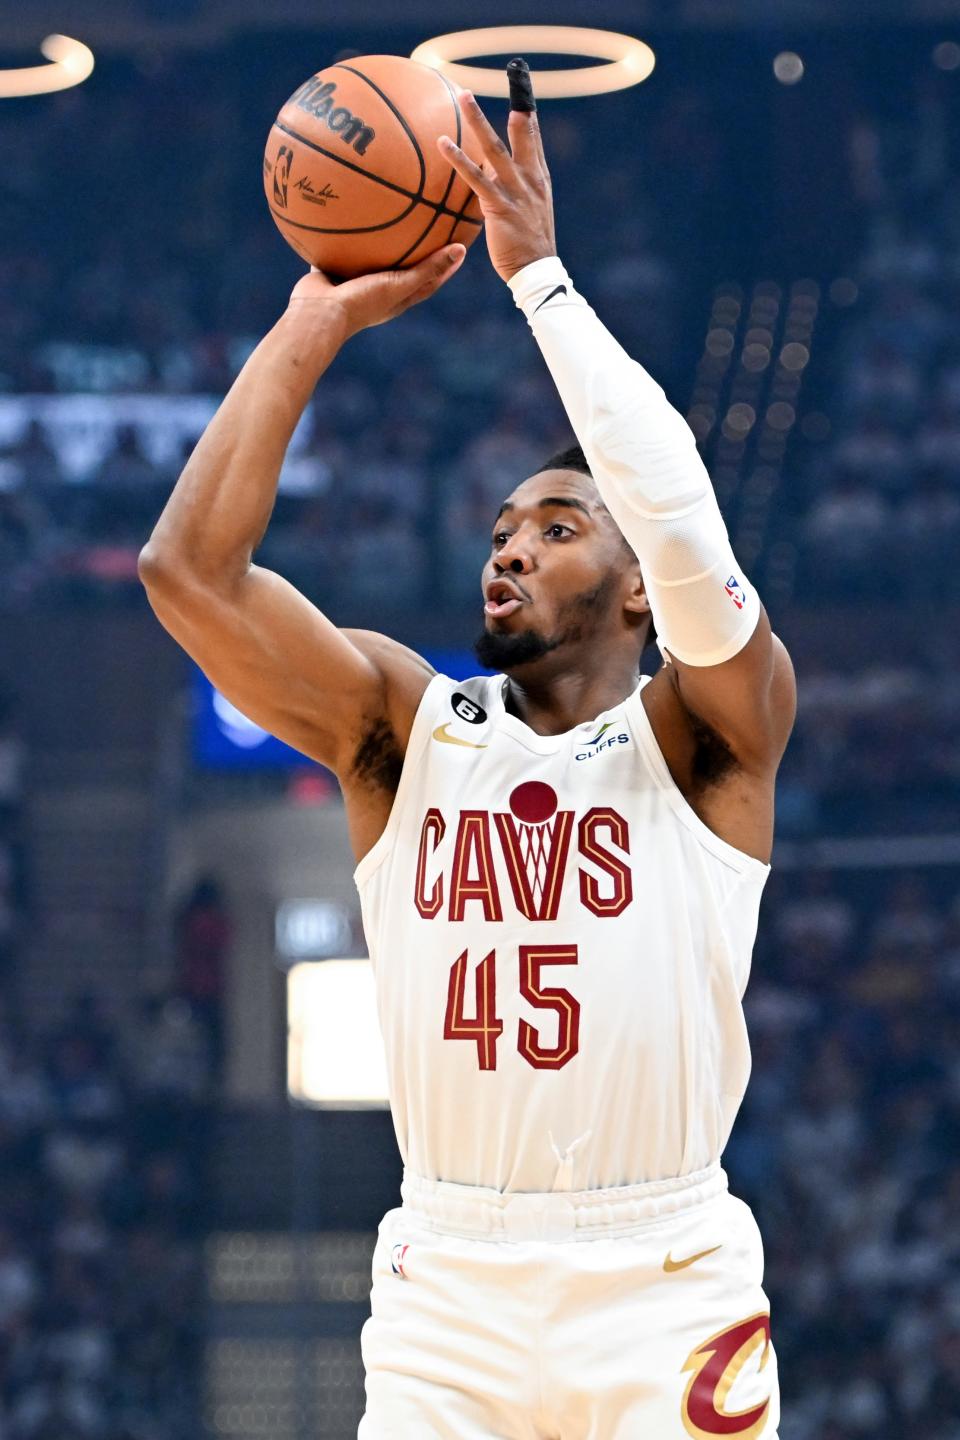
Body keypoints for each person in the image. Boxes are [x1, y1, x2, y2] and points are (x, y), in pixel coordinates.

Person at [139, 58, 795, 1440]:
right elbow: (188, 572)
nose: (511, 543)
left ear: (635, 592)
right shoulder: (400, 729)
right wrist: (313, 320)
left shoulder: (709, 741)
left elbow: (676, 512)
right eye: (502, 528)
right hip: (450, 1284)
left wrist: (540, 282)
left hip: (663, 1275)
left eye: (558, 527)